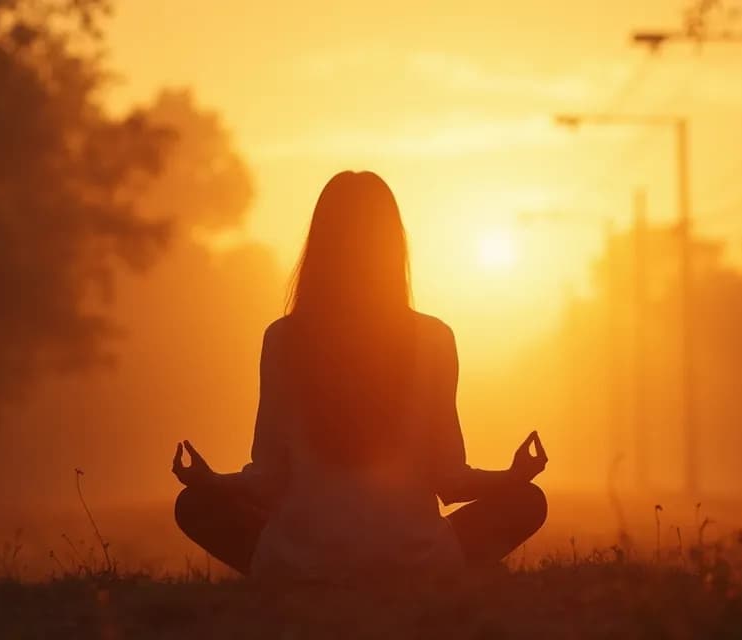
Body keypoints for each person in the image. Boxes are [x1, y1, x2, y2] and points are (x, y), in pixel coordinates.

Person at [171, 171, 548, 582]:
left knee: (194, 505)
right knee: (527, 501)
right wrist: (513, 477)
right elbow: (450, 480)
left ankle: (304, 564)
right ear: (393, 247)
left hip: (301, 566)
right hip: (417, 564)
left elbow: (269, 479)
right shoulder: (434, 338)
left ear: (320, 247)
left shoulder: (283, 339)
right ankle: (416, 565)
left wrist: (210, 482)